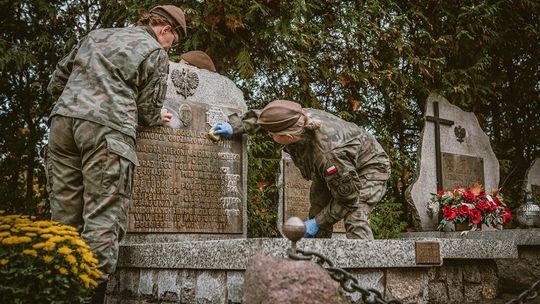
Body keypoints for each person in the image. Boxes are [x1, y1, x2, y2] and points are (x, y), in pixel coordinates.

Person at [45, 5, 186, 303]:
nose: (171, 46)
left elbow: (56, 82)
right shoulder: (154, 52)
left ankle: (56, 292)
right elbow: (148, 109)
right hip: (108, 130)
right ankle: (88, 297)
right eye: (175, 40)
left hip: (62, 124)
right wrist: (154, 116)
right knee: (104, 215)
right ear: (166, 30)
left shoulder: (96, 35)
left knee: (63, 217)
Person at [212, 100, 390, 239]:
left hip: (370, 167)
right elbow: (267, 117)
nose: (269, 136)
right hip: (340, 167)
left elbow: (348, 199)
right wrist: (236, 127)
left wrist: (318, 223)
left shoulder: (327, 156)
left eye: (272, 135)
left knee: (355, 215)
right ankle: (317, 268)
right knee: (318, 211)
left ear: (288, 137)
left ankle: (365, 276)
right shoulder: (296, 118)